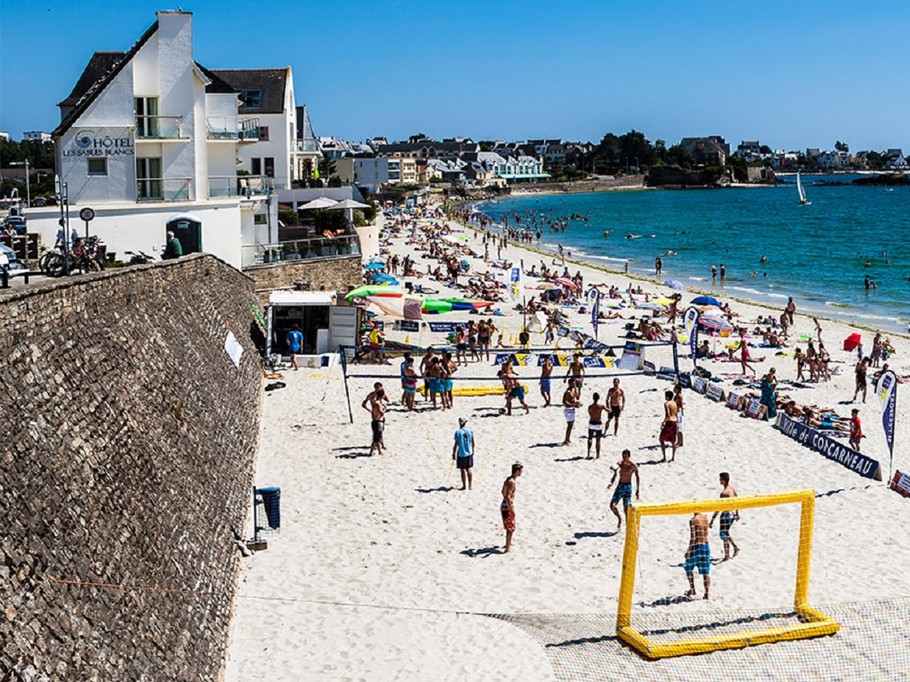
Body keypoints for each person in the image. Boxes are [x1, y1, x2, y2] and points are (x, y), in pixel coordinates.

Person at [709, 472, 740, 562]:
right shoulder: (732, 489)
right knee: (726, 533)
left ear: (723, 480)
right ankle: (735, 548)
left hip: (726, 515)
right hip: (732, 514)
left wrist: (712, 519)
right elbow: (738, 501)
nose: (719, 480)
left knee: (723, 535)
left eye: (720, 479)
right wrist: (737, 513)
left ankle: (727, 555)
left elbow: (719, 508)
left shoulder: (724, 493)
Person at [608, 449, 640, 528]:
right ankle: (619, 518)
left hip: (627, 487)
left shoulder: (633, 466)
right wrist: (611, 482)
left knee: (626, 508)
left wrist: (637, 490)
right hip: (620, 486)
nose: (624, 458)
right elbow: (615, 474)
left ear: (629, 456)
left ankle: (628, 525)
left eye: (626, 456)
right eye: (623, 456)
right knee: (612, 506)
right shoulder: (620, 464)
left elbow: (637, 477)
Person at [684, 512, 711, 599]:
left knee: (688, 567)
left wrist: (688, 551)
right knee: (706, 572)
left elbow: (693, 538)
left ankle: (692, 590)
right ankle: (707, 593)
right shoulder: (705, 518)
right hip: (706, 546)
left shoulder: (693, 520)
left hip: (697, 547)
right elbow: (706, 533)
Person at [501, 462, 523, 553]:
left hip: (504, 504)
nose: (521, 472)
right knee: (510, 527)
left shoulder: (508, 479)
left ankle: (508, 543)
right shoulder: (512, 482)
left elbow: (502, 491)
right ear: (517, 471)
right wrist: (511, 508)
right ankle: (507, 548)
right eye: (520, 471)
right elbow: (508, 496)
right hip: (507, 505)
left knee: (509, 526)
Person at [361, 383, 388, 456]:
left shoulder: (382, 394)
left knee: (381, 430)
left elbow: (387, 400)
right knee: (377, 431)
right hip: (375, 415)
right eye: (377, 387)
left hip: (380, 415)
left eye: (380, 387)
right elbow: (363, 404)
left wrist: (383, 403)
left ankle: (381, 444)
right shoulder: (371, 395)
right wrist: (370, 410)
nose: (378, 389)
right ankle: (377, 445)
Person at [452, 417, 475, 490]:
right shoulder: (470, 431)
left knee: (462, 470)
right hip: (469, 452)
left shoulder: (458, 432)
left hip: (461, 453)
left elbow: (455, 445)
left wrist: (453, 453)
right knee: (469, 469)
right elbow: (473, 443)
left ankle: (464, 486)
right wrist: (473, 451)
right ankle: (470, 485)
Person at [659, 390, 679, 462]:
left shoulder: (666, 404)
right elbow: (676, 413)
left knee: (661, 439)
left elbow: (667, 414)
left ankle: (664, 457)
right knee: (673, 441)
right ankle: (673, 457)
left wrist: (664, 422)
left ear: (667, 397)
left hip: (669, 422)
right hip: (675, 421)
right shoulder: (674, 403)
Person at [586, 392, 607, 459]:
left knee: (590, 438)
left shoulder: (590, 407)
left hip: (591, 422)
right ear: (598, 398)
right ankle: (597, 455)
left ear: (593, 398)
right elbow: (609, 410)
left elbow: (590, 414)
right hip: (598, 423)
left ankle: (588, 453)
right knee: (598, 440)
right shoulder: (601, 406)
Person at [562, 380, 581, 445]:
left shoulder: (574, 389)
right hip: (568, 409)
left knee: (571, 425)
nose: (574, 384)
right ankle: (566, 440)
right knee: (569, 425)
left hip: (572, 409)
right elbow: (564, 402)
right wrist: (573, 405)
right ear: (569, 384)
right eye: (573, 383)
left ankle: (568, 439)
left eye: (574, 383)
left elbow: (577, 397)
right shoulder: (568, 392)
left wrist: (576, 389)